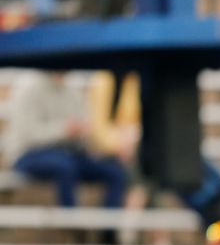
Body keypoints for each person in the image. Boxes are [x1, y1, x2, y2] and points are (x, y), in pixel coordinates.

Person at [4, 71, 128, 230]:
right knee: (64, 165)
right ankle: (72, 226)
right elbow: (28, 135)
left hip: (68, 154)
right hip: (27, 155)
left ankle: (109, 232)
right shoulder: (28, 88)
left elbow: (84, 131)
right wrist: (64, 130)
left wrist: (85, 136)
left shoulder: (72, 92)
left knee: (114, 171)